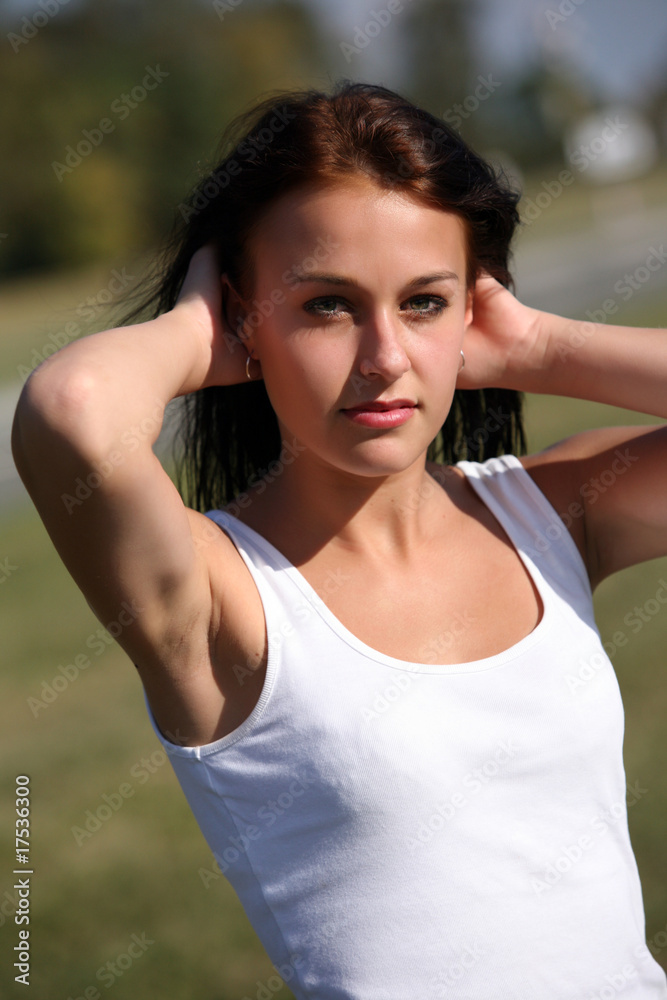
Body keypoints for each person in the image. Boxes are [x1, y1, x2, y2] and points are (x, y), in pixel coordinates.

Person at [12, 81, 667, 996]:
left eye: (423, 302)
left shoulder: (553, 512)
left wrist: (538, 346)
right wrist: (196, 331)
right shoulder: (221, 600)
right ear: (246, 315)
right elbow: (73, 412)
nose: (384, 356)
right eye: (327, 304)